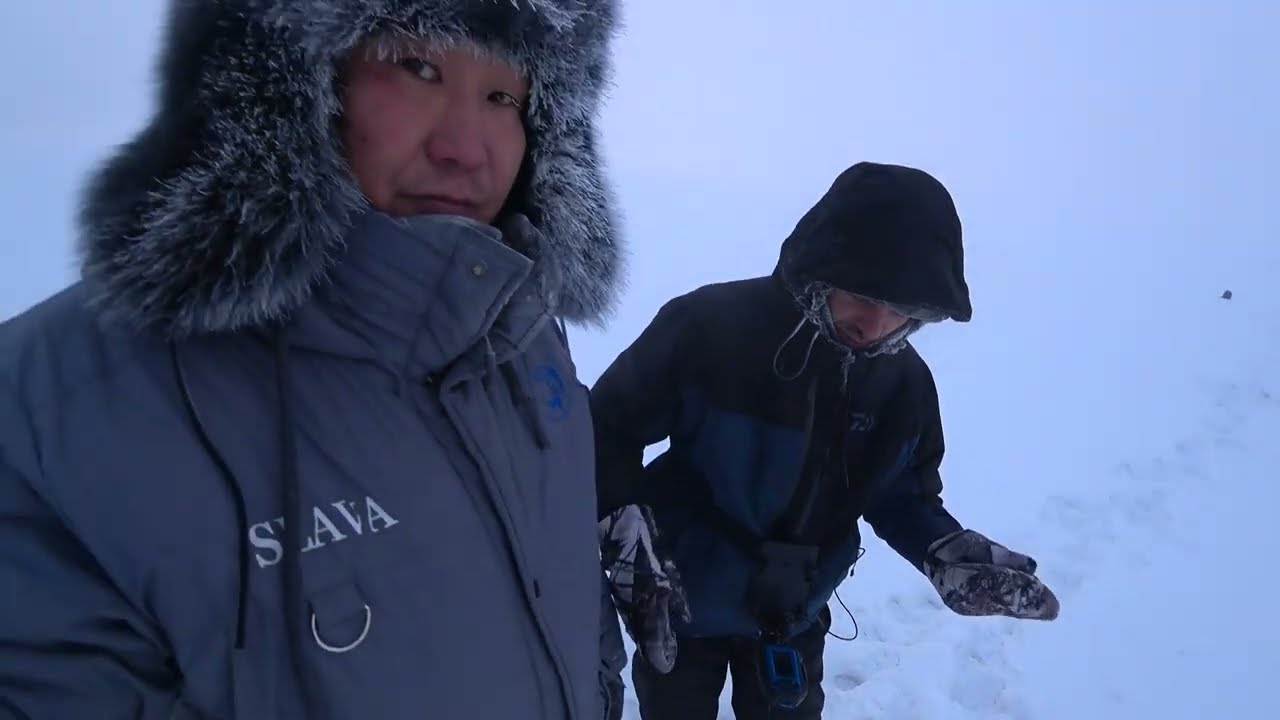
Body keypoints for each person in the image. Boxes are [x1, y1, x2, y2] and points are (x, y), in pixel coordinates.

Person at [0, 1, 629, 718]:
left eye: (502, 97)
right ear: (278, 83)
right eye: (417, 67)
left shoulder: (517, 328)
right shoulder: (48, 419)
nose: (467, 148)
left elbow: (567, 574)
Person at [592, 161, 1060, 719]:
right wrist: (621, 522)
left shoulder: (904, 386)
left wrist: (940, 549)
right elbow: (606, 428)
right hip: (677, 604)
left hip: (791, 615)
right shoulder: (708, 330)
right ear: (820, 269)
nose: (877, 323)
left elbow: (901, 495)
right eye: (863, 294)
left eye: (903, 309)